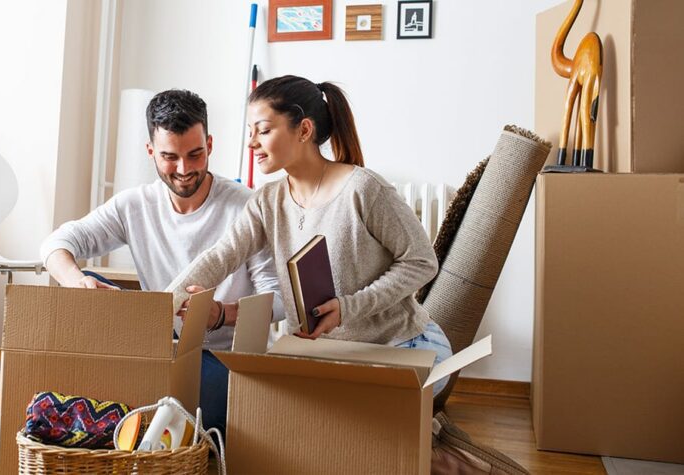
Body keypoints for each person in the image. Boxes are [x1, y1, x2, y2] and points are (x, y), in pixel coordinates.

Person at [168, 75, 453, 396]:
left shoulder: (363, 189)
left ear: (304, 130)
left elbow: (421, 262)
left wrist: (348, 307)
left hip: (401, 345)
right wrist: (164, 304)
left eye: (263, 130)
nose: (251, 143)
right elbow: (222, 255)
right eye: (251, 132)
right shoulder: (267, 201)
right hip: (322, 353)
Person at [40, 89, 285, 434]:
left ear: (210, 145)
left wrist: (220, 315)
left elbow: (278, 300)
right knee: (87, 283)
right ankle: (138, 412)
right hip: (160, 349)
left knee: (168, 400)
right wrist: (75, 281)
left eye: (195, 154)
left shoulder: (247, 207)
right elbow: (56, 243)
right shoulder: (134, 205)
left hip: (225, 360)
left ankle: (139, 413)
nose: (184, 169)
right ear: (151, 152)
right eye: (170, 157)